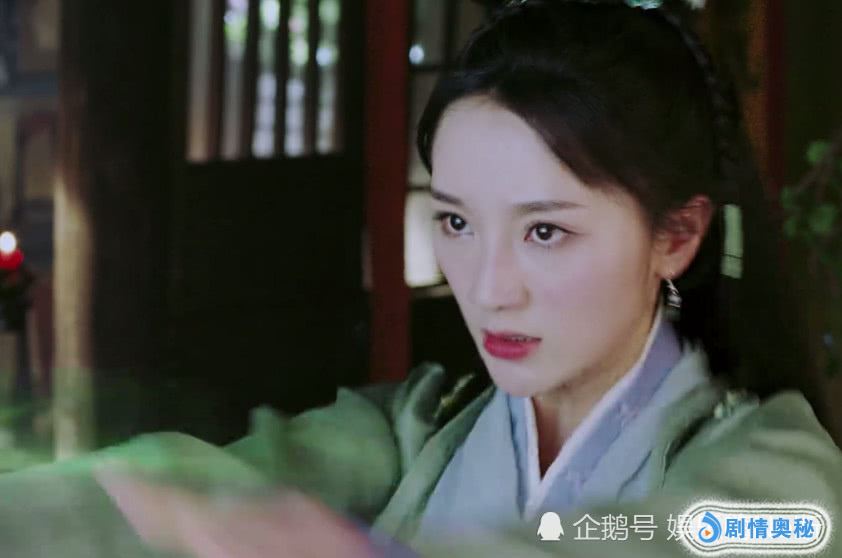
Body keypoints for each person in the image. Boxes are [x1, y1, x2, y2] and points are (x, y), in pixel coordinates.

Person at [1, 0, 841, 556]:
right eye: (457, 223)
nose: (489, 287)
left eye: (545, 231)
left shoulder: (782, 478)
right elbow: (193, 486)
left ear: (677, 235)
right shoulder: (423, 430)